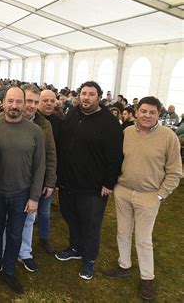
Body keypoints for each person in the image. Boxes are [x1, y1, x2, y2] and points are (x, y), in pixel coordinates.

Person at [103, 97, 182, 300]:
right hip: (123, 191)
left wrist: (160, 195)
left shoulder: (169, 137)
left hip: (149, 196)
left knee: (144, 239)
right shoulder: (127, 132)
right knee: (122, 232)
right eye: (143, 111)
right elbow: (115, 158)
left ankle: (147, 278)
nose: (147, 115)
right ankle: (124, 266)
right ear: (136, 112)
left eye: (152, 112)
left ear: (159, 114)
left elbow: (175, 172)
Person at [55, 81, 124, 280]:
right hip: (68, 181)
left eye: (91, 94)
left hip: (93, 186)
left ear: (99, 97)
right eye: (83, 93)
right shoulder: (73, 114)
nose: (86, 97)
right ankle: (75, 247)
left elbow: (115, 156)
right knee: (70, 216)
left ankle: (89, 259)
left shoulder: (109, 123)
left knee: (91, 224)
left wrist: (109, 182)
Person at [0, 87, 45, 295]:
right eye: (11, 101)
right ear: (4, 102)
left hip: (21, 193)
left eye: (19, 102)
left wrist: (34, 196)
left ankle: (9, 271)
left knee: (16, 234)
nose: (14, 106)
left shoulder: (35, 131)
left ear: (25, 103)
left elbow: (40, 166)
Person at [16, 85, 56, 272]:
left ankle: (24, 252)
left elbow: (50, 154)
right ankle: (5, 252)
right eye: (28, 101)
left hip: (34, 180)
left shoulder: (44, 124)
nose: (31, 106)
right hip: (8, 181)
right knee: (7, 219)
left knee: (29, 218)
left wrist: (50, 181)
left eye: (35, 102)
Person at [37, 89, 62, 252]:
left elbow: (56, 152)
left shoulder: (59, 122)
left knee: (44, 210)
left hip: (48, 173)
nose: (48, 103)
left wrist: (53, 178)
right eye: (45, 100)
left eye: (52, 101)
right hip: (30, 174)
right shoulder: (31, 118)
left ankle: (44, 238)